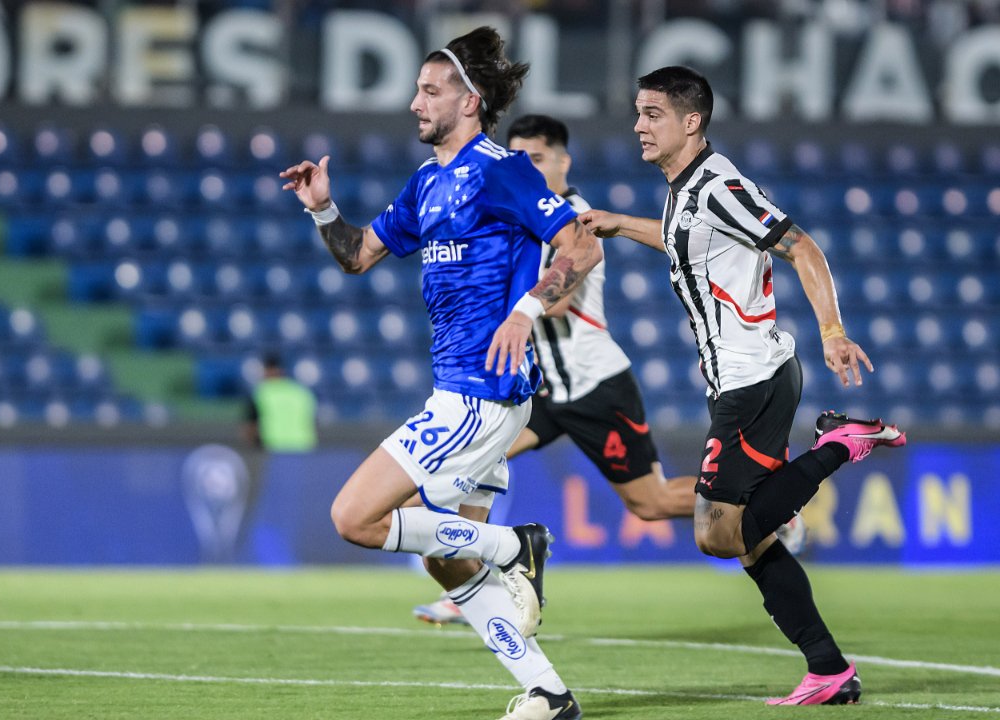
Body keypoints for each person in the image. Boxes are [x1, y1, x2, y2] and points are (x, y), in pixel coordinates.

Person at [281, 27, 592, 720]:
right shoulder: (427, 182)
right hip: (463, 391)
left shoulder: (501, 169)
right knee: (446, 561)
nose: (415, 102)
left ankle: (517, 544)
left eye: (430, 90)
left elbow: (579, 246)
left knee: (354, 517)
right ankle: (549, 692)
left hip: (481, 393)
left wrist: (525, 312)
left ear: (471, 100)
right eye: (416, 89)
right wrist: (323, 208)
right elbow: (358, 255)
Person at [577, 65, 906, 706]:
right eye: (637, 112)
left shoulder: (718, 183)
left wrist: (833, 329)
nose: (638, 125)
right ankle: (829, 670)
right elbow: (687, 241)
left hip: (753, 381)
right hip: (742, 380)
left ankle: (842, 442)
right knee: (748, 540)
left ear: (691, 121)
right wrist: (624, 223)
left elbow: (802, 247)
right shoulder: (683, 189)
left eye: (652, 113)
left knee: (717, 534)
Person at [412, 114, 804, 627]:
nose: (525, 169)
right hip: (546, 389)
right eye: (517, 160)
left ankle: (773, 507)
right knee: (475, 463)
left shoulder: (572, 219)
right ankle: (473, 587)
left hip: (596, 385)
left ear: (562, 161)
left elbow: (550, 305)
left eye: (536, 159)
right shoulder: (523, 215)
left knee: (651, 501)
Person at [243, 352, 317, 452]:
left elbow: (251, 425)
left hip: (273, 448)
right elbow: (312, 422)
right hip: (303, 447)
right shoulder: (302, 392)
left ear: (266, 370)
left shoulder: (261, 393)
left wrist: (253, 448)